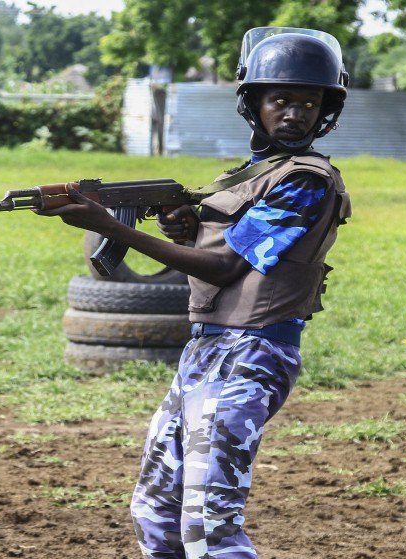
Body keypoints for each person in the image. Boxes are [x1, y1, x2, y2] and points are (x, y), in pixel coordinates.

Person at [35, 27, 351, 558]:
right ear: (254, 104)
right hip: (205, 350)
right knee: (155, 512)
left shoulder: (307, 181)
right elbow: (218, 246)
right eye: (281, 99)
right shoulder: (248, 176)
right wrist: (187, 225)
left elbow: (225, 266)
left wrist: (112, 227)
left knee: (209, 524)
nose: (295, 113)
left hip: (252, 352)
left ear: (326, 109)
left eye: (308, 101)